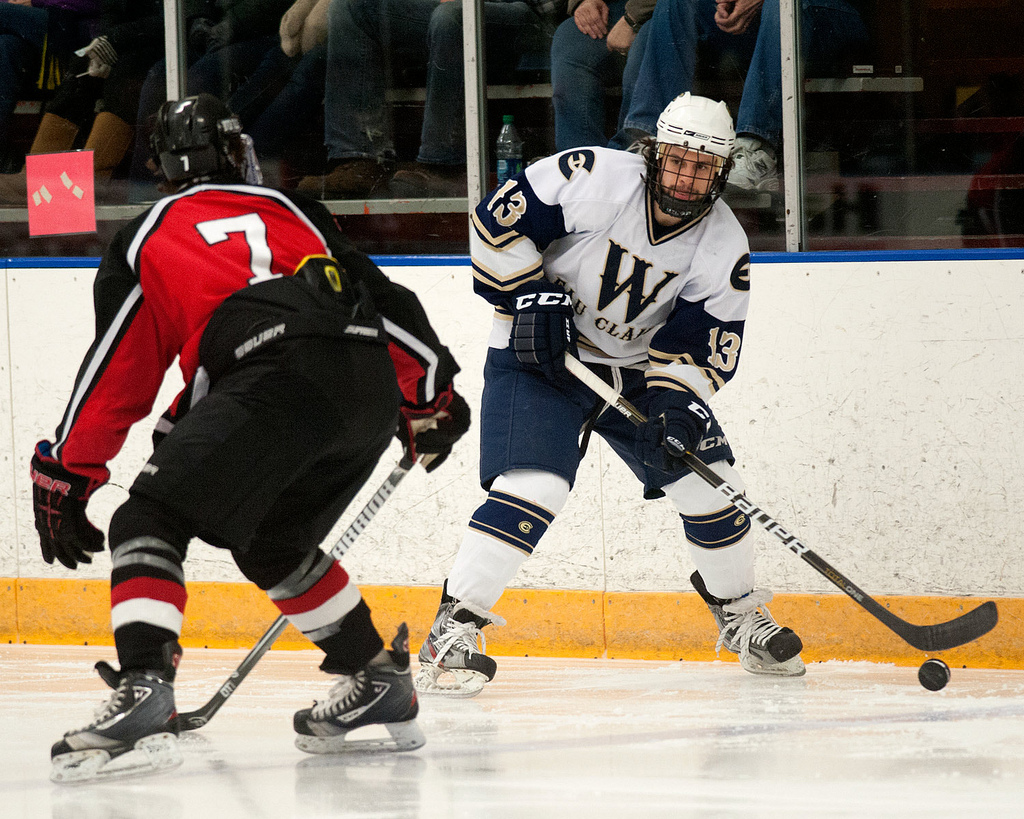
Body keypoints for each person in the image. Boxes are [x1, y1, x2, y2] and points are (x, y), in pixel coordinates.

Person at [30, 94, 471, 782]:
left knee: (147, 517)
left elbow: (121, 366)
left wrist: (69, 467)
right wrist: (428, 398)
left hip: (271, 370)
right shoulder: (298, 212)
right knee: (272, 539)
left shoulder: (147, 232)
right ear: (238, 154)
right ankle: (378, 677)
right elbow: (385, 303)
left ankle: (145, 684)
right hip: (361, 378)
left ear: (165, 170)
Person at [414, 92, 806, 698]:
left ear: (722, 171)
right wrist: (527, 295)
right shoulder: (593, 177)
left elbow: (703, 347)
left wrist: (677, 407)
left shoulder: (724, 246)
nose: (686, 176)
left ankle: (739, 616)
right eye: (676, 160)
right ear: (653, 153)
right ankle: (452, 629)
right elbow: (496, 225)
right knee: (535, 488)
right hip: (540, 355)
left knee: (714, 484)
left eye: (703, 166)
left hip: (637, 373)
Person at [299, 0, 553, 199]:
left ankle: (445, 166)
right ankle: (358, 160)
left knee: (454, 15)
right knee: (351, 7)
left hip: (527, 16)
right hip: (445, 10)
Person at [609, 0, 869, 191]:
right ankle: (648, 140)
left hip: (827, 12)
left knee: (783, 5)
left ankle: (756, 148)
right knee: (674, 3)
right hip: (752, 17)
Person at [549, 0, 654, 151]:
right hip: (617, 8)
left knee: (646, 42)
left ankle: (631, 158)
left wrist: (633, 19)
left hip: (664, 9)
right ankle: (581, 161)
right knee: (570, 37)